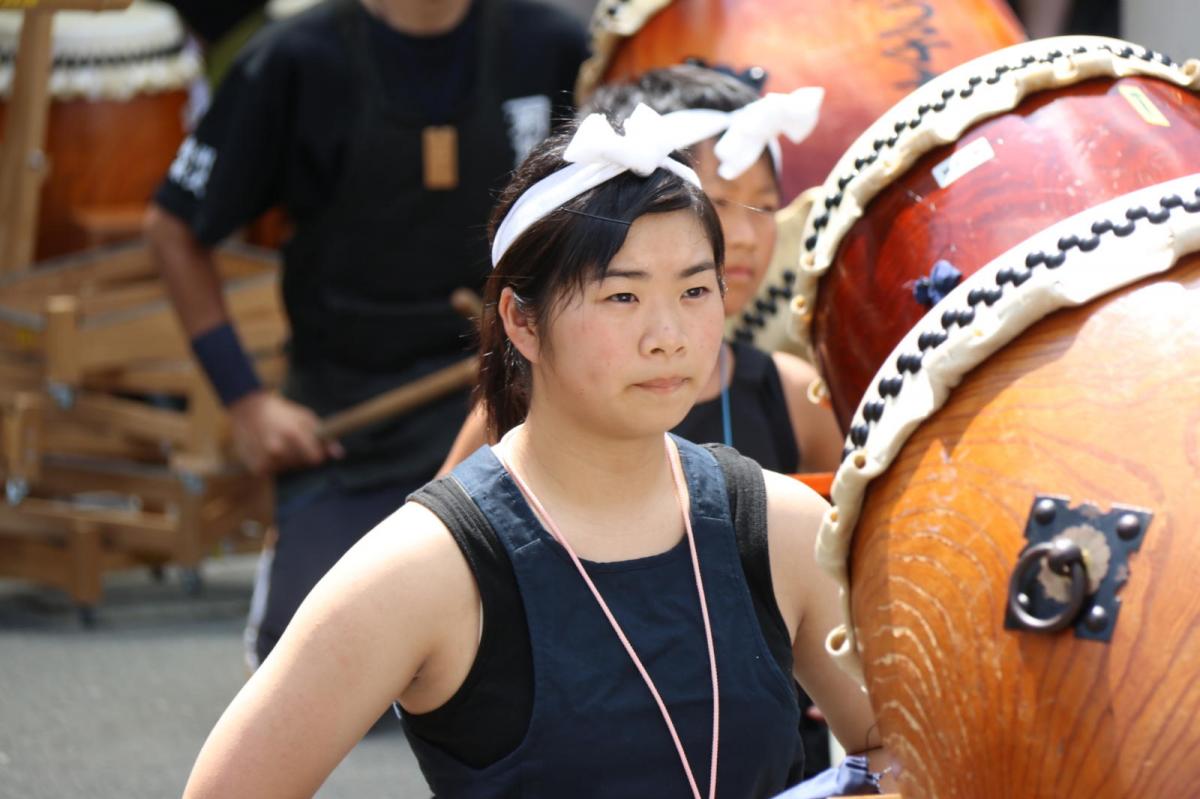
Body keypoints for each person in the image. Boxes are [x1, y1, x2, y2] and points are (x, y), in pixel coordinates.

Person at [181, 107, 889, 797]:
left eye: (696, 289)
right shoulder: (425, 568)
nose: (669, 334)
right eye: (622, 296)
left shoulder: (778, 524)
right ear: (522, 320)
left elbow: (907, 753)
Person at [145, 0, 588, 669]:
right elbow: (174, 228)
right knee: (319, 661)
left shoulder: (554, 45)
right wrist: (245, 400)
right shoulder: (293, 59)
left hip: (518, 407)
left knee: (543, 652)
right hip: (347, 420)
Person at [440, 64, 845, 478]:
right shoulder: (528, 402)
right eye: (720, 203)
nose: (744, 236)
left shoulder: (794, 398)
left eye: (765, 207)